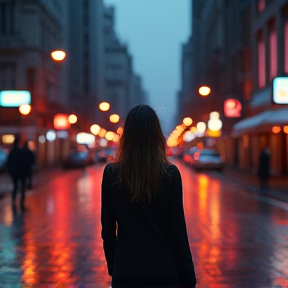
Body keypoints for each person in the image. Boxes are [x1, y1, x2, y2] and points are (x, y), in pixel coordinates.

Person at [101, 105, 197, 288]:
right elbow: (178, 231)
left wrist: (115, 268)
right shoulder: (170, 174)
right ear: (156, 135)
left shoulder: (112, 174)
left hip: (126, 271)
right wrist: (188, 277)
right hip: (164, 271)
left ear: (127, 136)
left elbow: (107, 231)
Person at [7, 137, 26, 209]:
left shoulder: (12, 152)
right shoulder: (21, 151)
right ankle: (21, 203)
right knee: (21, 188)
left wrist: (10, 171)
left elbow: (9, 163)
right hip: (20, 172)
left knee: (15, 187)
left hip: (15, 172)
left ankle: (14, 201)